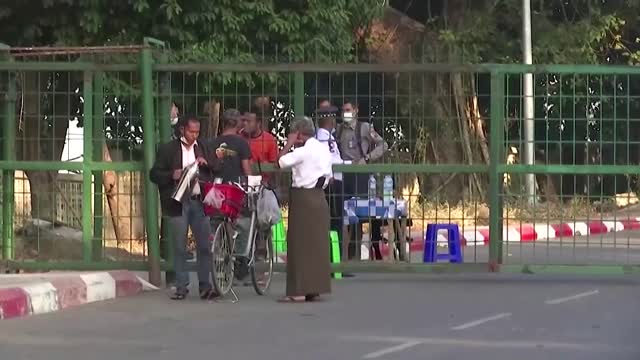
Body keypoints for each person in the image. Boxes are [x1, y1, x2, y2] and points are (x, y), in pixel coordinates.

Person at [150, 115, 220, 301]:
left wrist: (208, 164)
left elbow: (217, 166)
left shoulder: (203, 146)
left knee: (204, 246)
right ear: (182, 129)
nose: (194, 135)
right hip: (178, 202)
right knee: (180, 246)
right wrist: (171, 174)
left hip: (199, 201)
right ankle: (182, 286)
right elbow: (154, 174)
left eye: (197, 132)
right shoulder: (168, 149)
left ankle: (205, 286)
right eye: (191, 131)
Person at [277, 116, 333, 303]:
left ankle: (298, 291)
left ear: (299, 133)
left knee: (299, 244)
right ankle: (314, 288)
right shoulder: (323, 148)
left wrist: (289, 144)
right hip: (319, 197)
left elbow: (281, 161)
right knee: (316, 245)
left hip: (303, 197)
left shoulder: (303, 151)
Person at [336, 99, 389, 260]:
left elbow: (383, 145)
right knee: (344, 215)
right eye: (343, 110)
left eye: (348, 109)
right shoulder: (338, 130)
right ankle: (346, 255)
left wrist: (367, 158)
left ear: (356, 110)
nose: (345, 113)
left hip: (361, 176)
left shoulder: (365, 128)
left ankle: (361, 252)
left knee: (361, 214)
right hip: (343, 176)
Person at [207, 109, 253, 282]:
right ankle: (240, 259)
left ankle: (219, 261)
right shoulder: (241, 143)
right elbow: (246, 168)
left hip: (217, 188)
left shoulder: (213, 142)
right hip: (236, 189)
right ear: (237, 124)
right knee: (244, 224)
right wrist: (252, 184)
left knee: (217, 222)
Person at [315, 106, 347, 265]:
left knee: (336, 222)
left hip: (335, 181)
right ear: (330, 120)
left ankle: (336, 260)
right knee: (335, 222)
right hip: (332, 183)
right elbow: (328, 160)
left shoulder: (329, 137)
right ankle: (334, 262)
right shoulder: (323, 138)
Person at [242, 107, 278, 183]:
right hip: (241, 181)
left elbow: (274, 168)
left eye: (248, 121)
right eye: (243, 120)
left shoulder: (270, 140)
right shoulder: (238, 138)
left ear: (258, 123)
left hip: (264, 183)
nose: (244, 123)